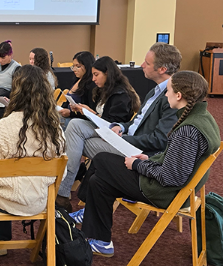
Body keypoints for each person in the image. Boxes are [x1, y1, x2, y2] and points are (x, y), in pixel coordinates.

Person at [69, 71, 220, 258]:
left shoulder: (188, 130)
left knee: (101, 159)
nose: (166, 95)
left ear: (179, 95)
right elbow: (173, 161)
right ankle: (101, 242)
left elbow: (172, 177)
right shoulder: (203, 118)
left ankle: (96, 230)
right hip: (173, 188)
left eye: (169, 91)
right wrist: (149, 160)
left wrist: (137, 166)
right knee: (98, 181)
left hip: (163, 191)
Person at [56, 44, 181, 212]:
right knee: (75, 128)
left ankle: (62, 193)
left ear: (162, 69)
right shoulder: (155, 92)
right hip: (126, 139)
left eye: (147, 63)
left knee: (72, 140)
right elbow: (136, 123)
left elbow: (160, 140)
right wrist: (121, 127)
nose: (142, 65)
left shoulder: (172, 96)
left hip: (137, 150)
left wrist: (122, 138)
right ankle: (64, 192)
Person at [0, 65, 65, 256]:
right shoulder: (55, 128)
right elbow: (59, 172)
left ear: (15, 91)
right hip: (41, 199)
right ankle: (2, 240)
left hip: (9, 200)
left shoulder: (4, 126)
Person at [57, 51, 96, 129]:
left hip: (79, 120)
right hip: (70, 117)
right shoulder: (77, 80)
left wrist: (71, 113)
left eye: (78, 66)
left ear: (87, 66)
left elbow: (90, 111)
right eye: (73, 66)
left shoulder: (92, 84)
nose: (74, 69)